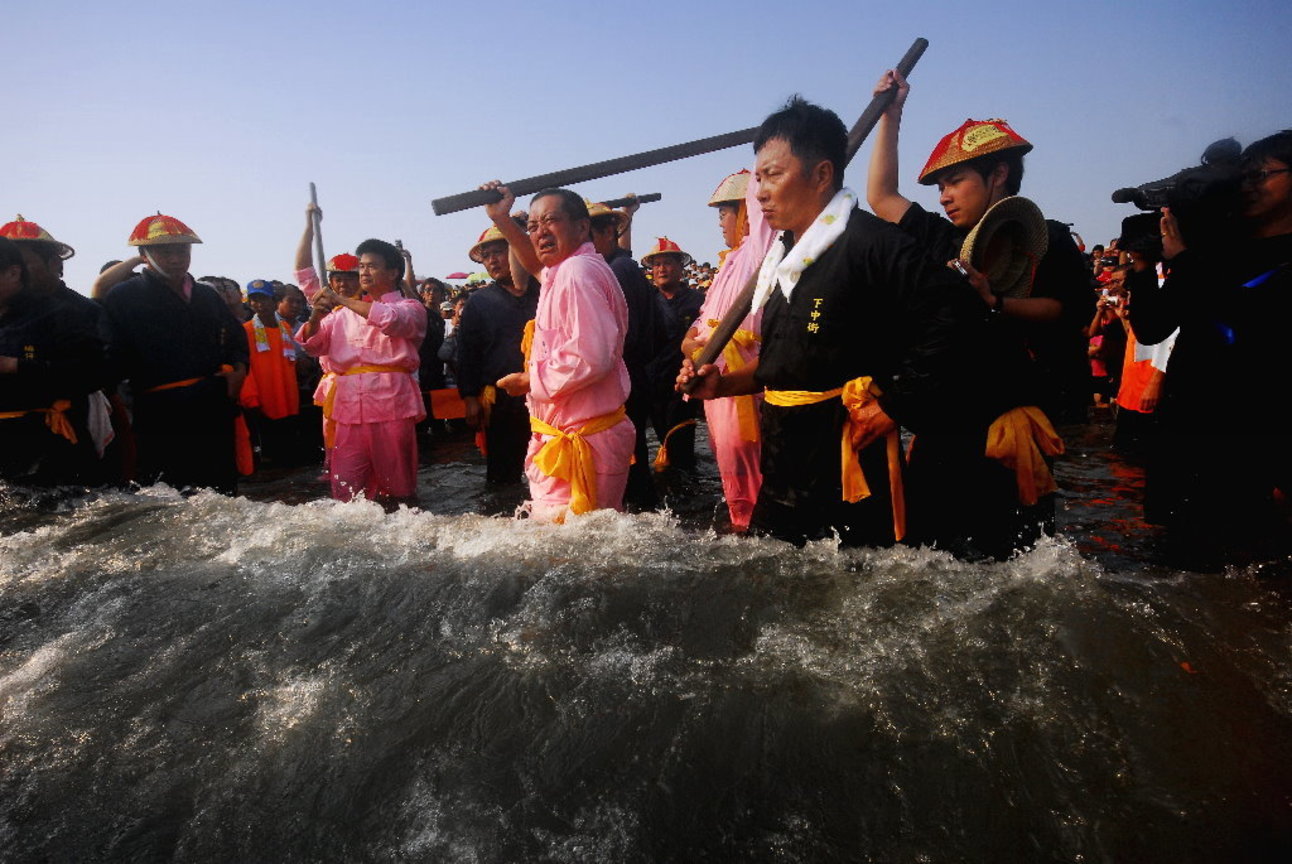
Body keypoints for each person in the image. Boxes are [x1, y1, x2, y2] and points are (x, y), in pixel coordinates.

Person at [681, 96, 997, 548]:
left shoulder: (874, 244)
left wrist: (894, 405)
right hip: (782, 466)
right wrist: (722, 385)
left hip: (847, 469)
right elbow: (788, 366)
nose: (761, 193)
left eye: (773, 175)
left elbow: (958, 318)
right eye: (758, 179)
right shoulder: (782, 259)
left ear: (822, 174)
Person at [866, 69, 1092, 426]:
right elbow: (882, 197)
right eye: (940, 188)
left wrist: (996, 302)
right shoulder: (943, 237)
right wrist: (890, 116)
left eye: (955, 182)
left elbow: (1066, 310)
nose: (944, 197)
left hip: (1018, 412)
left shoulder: (1048, 237)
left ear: (998, 175)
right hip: (949, 410)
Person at [1127, 129, 1292, 561]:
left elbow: (1248, 324)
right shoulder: (1218, 251)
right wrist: (1144, 266)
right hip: (1187, 431)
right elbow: (1152, 327)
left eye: (1262, 175)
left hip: (1251, 440)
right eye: (1245, 176)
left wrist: (1184, 260)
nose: (1247, 186)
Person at [481, 182, 635, 521]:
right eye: (533, 225)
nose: (539, 232)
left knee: (577, 552)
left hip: (583, 439)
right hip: (575, 435)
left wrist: (529, 380)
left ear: (582, 227)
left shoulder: (577, 272)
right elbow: (536, 266)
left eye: (551, 221)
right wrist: (503, 220)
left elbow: (590, 357)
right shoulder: (567, 269)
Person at [99, 213, 248, 494]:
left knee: (221, 491)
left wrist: (238, 369)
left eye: (182, 250)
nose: (176, 258)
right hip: (160, 414)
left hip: (212, 405)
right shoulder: (123, 297)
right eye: (165, 251)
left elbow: (236, 340)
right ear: (143, 255)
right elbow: (112, 357)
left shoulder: (207, 295)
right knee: (169, 496)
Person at [679, 169, 776, 531]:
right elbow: (703, 320)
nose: (721, 222)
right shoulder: (730, 262)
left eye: (725, 212)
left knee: (746, 456)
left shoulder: (760, 253)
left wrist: (759, 175)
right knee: (728, 457)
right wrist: (689, 343)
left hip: (741, 377)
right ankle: (742, 518)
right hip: (713, 377)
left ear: (746, 210)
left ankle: (750, 524)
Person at [298, 238, 427, 504]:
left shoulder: (410, 308)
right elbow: (312, 345)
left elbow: (391, 320)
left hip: (391, 404)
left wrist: (339, 299)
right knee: (346, 485)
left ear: (392, 272)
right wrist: (316, 316)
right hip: (347, 409)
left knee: (397, 486)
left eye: (372, 266)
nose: (364, 272)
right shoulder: (340, 314)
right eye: (362, 267)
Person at [0, 236, 103, 485]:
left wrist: (14, 366)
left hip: (50, 447)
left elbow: (94, 373)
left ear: (14, 273)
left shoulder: (59, 314)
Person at [588, 199, 666, 510]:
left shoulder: (617, 269)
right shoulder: (620, 266)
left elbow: (617, 336)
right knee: (633, 451)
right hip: (634, 373)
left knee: (628, 455)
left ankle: (639, 509)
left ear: (608, 233)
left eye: (588, 236)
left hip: (624, 375)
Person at [456, 225, 539, 485]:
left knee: (550, 465)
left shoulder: (544, 290)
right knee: (503, 471)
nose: (492, 260)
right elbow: (467, 353)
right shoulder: (479, 302)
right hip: (500, 397)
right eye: (487, 255)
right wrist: (470, 397)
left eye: (499, 252)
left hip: (545, 391)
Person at [642, 237, 704, 471]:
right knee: (659, 437)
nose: (661, 269)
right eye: (656, 264)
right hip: (653, 382)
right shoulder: (647, 300)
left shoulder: (698, 301)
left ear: (680, 268)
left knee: (681, 444)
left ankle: (687, 489)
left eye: (667, 263)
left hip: (683, 382)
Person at [239, 279, 302, 467]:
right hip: (264, 398)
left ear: (274, 301)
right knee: (270, 453)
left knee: (289, 449)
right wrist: (251, 398)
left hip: (288, 396)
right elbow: (246, 367)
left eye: (264, 299)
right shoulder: (246, 330)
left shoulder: (286, 328)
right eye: (254, 300)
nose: (259, 305)